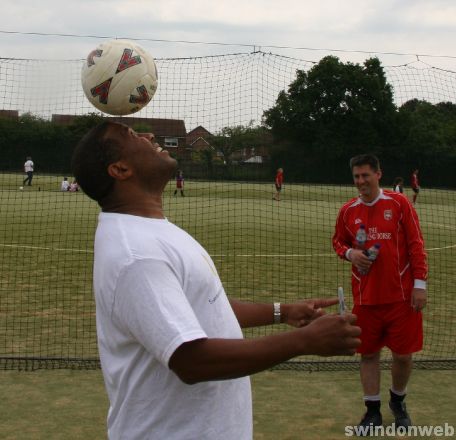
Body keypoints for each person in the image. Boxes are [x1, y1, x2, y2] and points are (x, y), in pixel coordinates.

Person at [71, 121, 361, 440]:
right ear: (121, 169)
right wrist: (305, 341)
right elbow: (190, 361)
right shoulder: (137, 254)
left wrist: (282, 312)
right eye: (131, 136)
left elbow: (198, 307)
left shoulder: (150, 231)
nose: (148, 135)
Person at [332, 154, 427, 431]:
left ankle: (398, 403)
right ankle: (372, 411)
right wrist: (351, 253)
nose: (361, 181)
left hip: (402, 298)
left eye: (365, 175)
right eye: (356, 177)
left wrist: (420, 285)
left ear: (378, 174)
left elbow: (416, 244)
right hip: (365, 299)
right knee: (369, 354)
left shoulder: (399, 204)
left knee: (403, 356)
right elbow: (338, 242)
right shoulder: (348, 210)